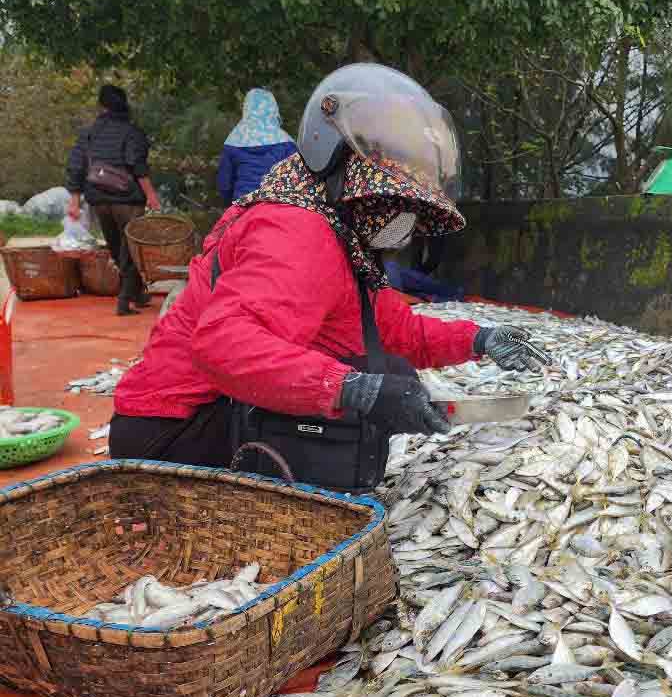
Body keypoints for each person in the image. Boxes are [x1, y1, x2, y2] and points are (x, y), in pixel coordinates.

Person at [109, 63, 546, 478]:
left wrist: (479, 339)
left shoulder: (341, 234)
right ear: (343, 173)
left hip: (198, 415)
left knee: (390, 372)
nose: (403, 222)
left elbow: (395, 331)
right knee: (380, 385)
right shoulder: (299, 231)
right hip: (171, 431)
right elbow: (222, 344)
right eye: (392, 201)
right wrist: (353, 389)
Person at [65, 84, 162, 315]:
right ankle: (125, 299)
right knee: (130, 248)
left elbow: (76, 166)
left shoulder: (88, 134)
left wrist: (75, 201)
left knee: (117, 248)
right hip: (128, 199)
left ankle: (136, 294)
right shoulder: (131, 132)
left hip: (98, 198)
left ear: (102, 105)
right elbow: (138, 166)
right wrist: (151, 195)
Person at [216, 88, 298, 204]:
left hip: (243, 205)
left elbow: (224, 185)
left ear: (246, 109)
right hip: (277, 207)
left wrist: (231, 203)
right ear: (274, 110)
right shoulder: (287, 143)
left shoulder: (233, 141)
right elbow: (297, 182)